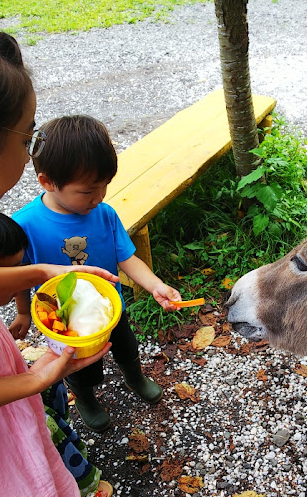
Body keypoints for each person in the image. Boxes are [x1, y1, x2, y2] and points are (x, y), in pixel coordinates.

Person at [0, 14, 116, 497]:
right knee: (7, 487)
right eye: (27, 135)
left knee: (31, 459)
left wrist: (43, 271)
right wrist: (36, 381)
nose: (31, 152)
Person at [13, 115, 182, 433]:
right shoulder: (26, 225)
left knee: (127, 347)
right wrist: (23, 312)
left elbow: (126, 257)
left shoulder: (103, 214)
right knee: (77, 367)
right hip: (65, 325)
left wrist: (155, 285)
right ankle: (87, 398)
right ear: (48, 182)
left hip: (110, 309)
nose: (99, 197)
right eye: (88, 191)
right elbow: (20, 275)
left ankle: (135, 378)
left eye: (104, 186)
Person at [0, 200, 113, 497]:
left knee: (53, 401)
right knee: (47, 437)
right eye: (9, 273)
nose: (20, 281)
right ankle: (79, 487)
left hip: (17, 383)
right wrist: (34, 379)